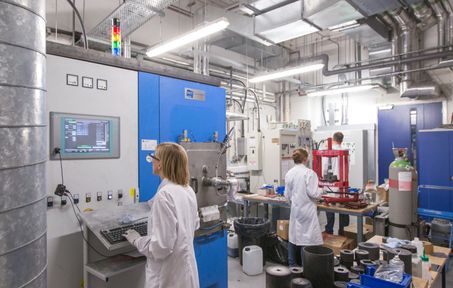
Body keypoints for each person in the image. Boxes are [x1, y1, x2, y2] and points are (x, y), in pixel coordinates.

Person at [123, 142, 200, 288]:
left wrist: (137, 240)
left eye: (154, 157)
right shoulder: (187, 190)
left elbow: (161, 248)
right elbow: (194, 224)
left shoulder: (164, 196)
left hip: (167, 277)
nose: (151, 160)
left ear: (160, 164)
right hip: (185, 271)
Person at [284, 148, 323, 267]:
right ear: (305, 159)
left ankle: (292, 264)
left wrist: (293, 203)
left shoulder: (289, 173)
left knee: (294, 236)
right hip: (307, 210)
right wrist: (322, 190)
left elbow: (287, 195)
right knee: (306, 238)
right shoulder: (309, 173)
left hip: (296, 210)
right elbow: (314, 193)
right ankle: (304, 265)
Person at [323, 132, 350, 235]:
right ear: (341, 140)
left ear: (333, 139)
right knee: (343, 208)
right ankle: (343, 231)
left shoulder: (329, 151)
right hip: (343, 184)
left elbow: (324, 168)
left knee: (330, 208)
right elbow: (347, 168)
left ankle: (329, 230)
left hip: (331, 184)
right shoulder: (345, 151)